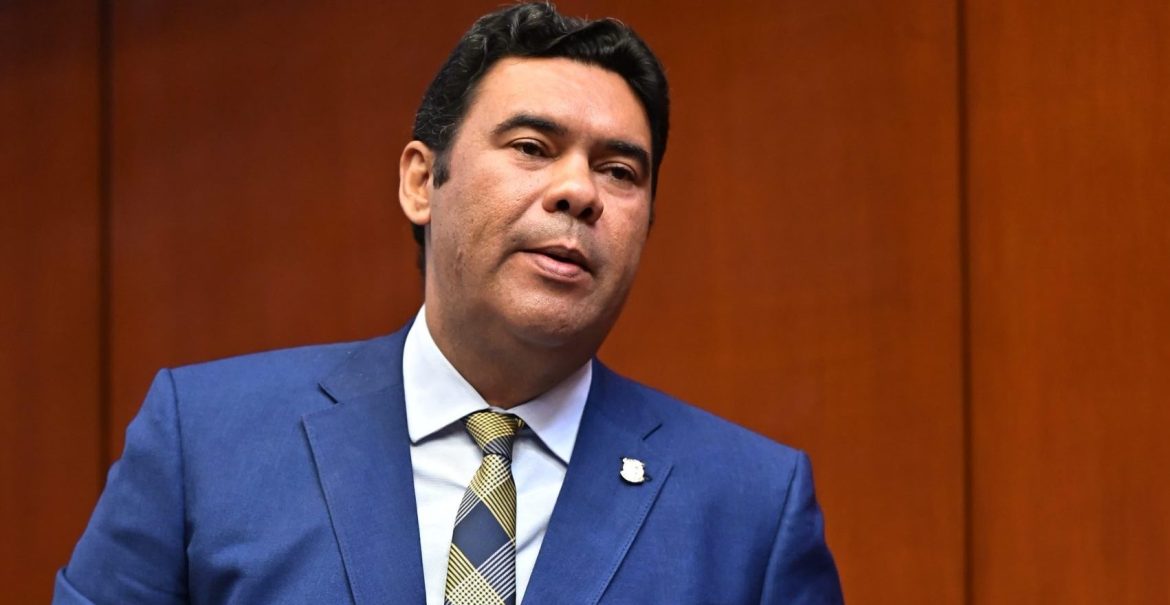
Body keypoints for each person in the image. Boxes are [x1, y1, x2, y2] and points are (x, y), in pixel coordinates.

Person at [54, 4, 843, 604]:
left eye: (620, 172)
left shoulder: (750, 509)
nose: (579, 191)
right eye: (532, 147)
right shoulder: (208, 441)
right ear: (421, 182)